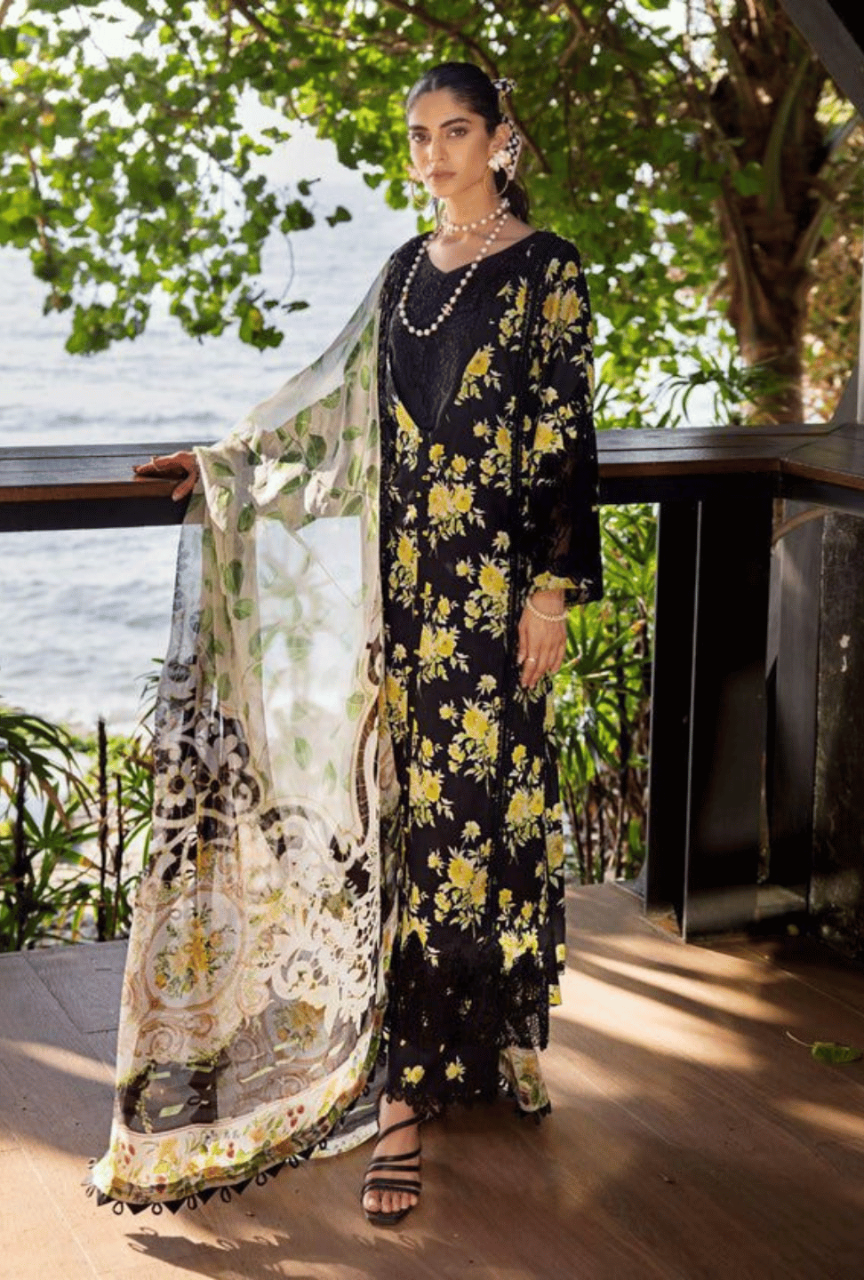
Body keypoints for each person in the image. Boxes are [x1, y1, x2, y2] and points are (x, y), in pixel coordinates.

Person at [88, 61, 602, 1228]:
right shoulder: (402, 272)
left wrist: (552, 596)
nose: (434, 155)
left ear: (501, 138)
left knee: (481, 822)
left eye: (456, 131)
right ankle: (425, 1065)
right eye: (419, 136)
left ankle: (425, 1091)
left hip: (491, 602)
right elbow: (335, 412)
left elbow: (567, 439)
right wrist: (224, 464)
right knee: (403, 827)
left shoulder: (547, 270)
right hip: (399, 603)